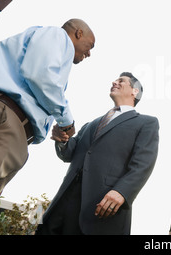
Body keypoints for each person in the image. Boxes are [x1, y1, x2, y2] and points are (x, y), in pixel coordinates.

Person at [0, 19, 95, 234]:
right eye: (91, 46)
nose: (89, 54)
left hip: (8, 135)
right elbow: (40, 75)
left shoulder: (56, 51)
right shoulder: (57, 36)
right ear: (78, 33)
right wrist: (66, 120)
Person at [35, 72, 159, 235]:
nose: (114, 82)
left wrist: (122, 191)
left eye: (121, 81)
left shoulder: (146, 123)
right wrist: (62, 140)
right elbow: (68, 154)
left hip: (102, 204)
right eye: (115, 79)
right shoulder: (91, 124)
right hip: (65, 200)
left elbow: (143, 164)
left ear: (135, 91)